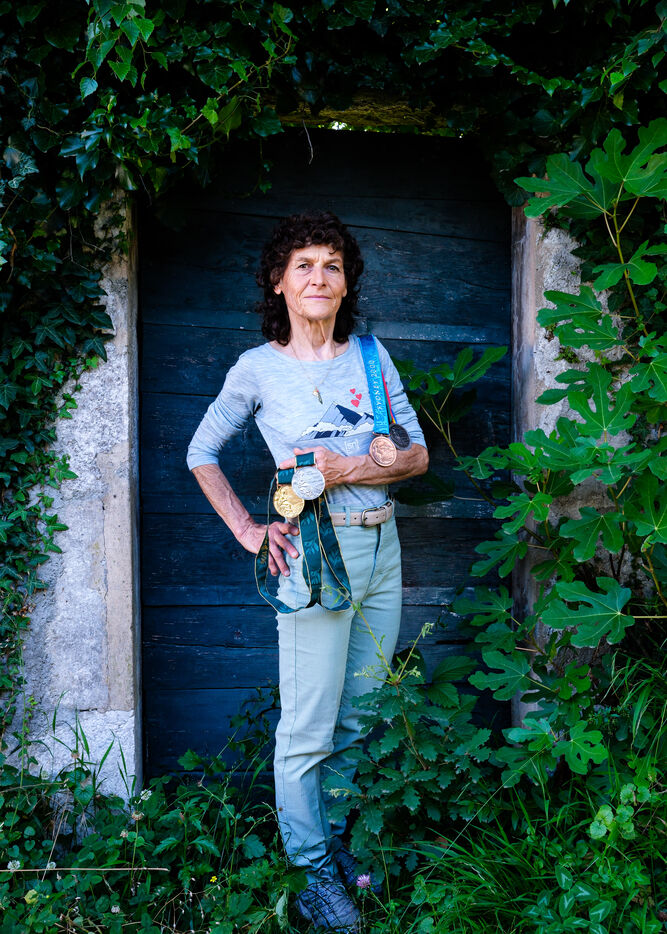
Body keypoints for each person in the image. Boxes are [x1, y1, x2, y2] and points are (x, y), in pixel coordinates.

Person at [187, 210, 428, 933]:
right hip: (314, 559)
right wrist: (247, 530)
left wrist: (348, 467)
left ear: (346, 282)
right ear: (278, 282)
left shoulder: (372, 358)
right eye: (304, 265)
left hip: (382, 549)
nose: (318, 277)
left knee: (359, 713)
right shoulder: (257, 369)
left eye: (331, 265)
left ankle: (338, 835)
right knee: (307, 728)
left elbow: (416, 455)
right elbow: (201, 451)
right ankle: (312, 873)